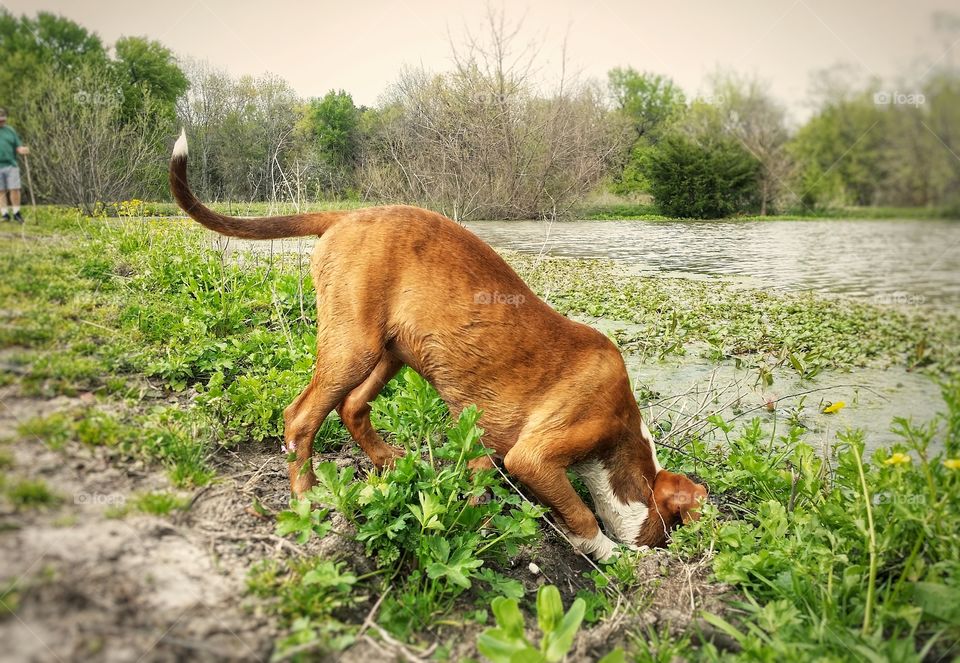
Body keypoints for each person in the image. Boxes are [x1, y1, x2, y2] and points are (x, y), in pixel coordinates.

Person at [0, 108, 30, 223]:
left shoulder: (10, 131)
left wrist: (23, 149)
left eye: (3, 120)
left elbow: (18, 146)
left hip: (11, 164)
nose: (1, 122)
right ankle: (5, 214)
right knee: (1, 190)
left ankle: (17, 213)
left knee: (15, 188)